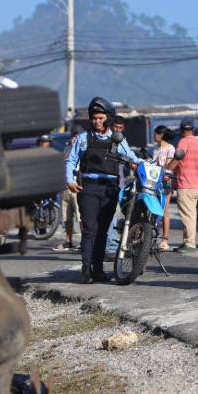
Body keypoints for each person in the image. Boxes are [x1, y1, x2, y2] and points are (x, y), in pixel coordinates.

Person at [65, 98, 139, 283]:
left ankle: (98, 270)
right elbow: (71, 160)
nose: (97, 121)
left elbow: (132, 157)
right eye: (94, 118)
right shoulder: (83, 138)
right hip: (88, 188)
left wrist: (146, 165)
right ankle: (86, 270)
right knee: (90, 230)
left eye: (100, 118)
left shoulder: (117, 139)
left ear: (108, 118)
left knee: (103, 232)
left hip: (110, 189)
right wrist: (69, 180)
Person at [167, 119, 198, 253]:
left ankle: (190, 244)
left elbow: (178, 157)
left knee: (187, 215)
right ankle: (187, 242)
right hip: (196, 183)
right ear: (193, 129)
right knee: (191, 214)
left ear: (182, 130)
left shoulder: (183, 142)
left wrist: (167, 170)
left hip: (185, 183)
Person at [55, 126, 84, 251]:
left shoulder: (83, 149)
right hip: (65, 187)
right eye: (73, 135)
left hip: (77, 186)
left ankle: (85, 241)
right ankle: (68, 240)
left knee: (81, 216)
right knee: (66, 217)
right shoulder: (67, 149)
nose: (74, 138)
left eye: (77, 135)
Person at [105, 115, 128, 258]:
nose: (118, 130)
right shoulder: (107, 139)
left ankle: (112, 244)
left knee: (116, 215)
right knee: (111, 216)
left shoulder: (123, 141)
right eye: (116, 128)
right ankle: (111, 247)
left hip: (118, 183)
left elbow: (129, 156)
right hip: (107, 182)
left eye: (120, 128)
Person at [152, 125, 176, 251]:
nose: (154, 136)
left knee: (165, 209)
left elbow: (169, 165)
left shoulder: (170, 148)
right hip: (155, 181)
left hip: (166, 181)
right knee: (153, 208)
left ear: (161, 135)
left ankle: (165, 240)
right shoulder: (155, 149)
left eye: (155, 133)